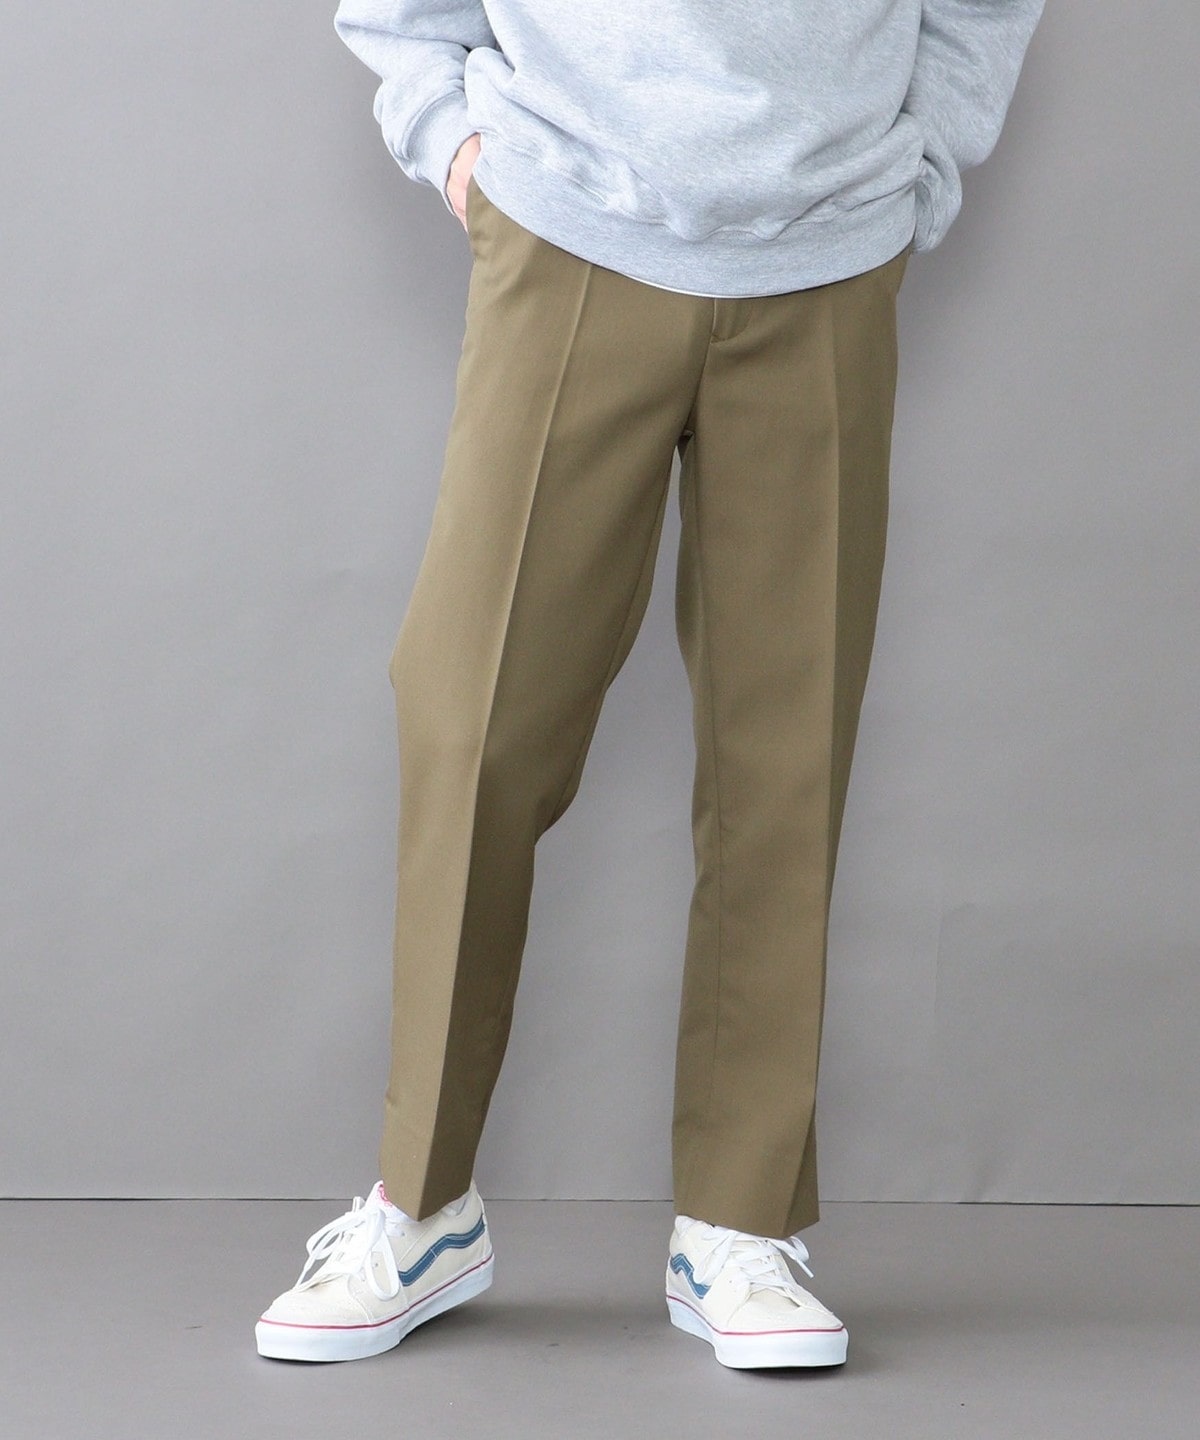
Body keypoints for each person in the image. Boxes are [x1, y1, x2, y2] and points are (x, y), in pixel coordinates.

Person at [255, 0, 1045, 1370]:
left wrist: (923, 165)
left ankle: (739, 1223)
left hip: (829, 244)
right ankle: (422, 1202)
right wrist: (451, 138)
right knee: (475, 720)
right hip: (568, 219)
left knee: (784, 753)